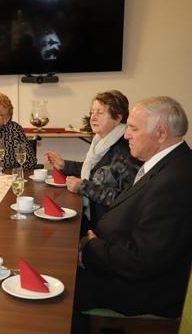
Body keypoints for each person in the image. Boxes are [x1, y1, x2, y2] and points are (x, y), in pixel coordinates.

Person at [75, 96, 192, 323]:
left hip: (142, 289)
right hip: (120, 267)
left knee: (59, 286)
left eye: (133, 128)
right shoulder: (166, 164)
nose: (126, 134)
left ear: (160, 133)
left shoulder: (176, 179)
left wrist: (90, 249)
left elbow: (143, 259)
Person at [45, 90, 142, 229]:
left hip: (109, 225)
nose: (93, 117)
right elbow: (96, 170)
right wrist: (64, 164)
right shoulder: (102, 142)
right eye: (92, 112)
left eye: (100, 113)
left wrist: (84, 187)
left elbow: (126, 199)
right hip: (95, 214)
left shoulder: (126, 150)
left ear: (118, 118)